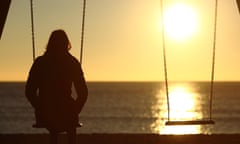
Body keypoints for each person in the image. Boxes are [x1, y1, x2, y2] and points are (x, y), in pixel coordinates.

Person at [25, 29, 88, 144]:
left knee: (53, 121)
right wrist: (75, 110)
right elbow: (83, 93)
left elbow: (29, 91)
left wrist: (39, 106)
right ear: (66, 44)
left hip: (46, 111)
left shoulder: (40, 62)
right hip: (67, 112)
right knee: (69, 120)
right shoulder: (72, 62)